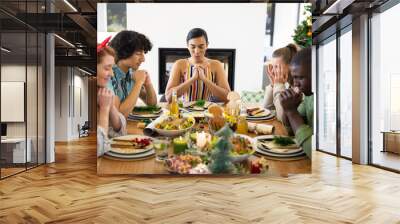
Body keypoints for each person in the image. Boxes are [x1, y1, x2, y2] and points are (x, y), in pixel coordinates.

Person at [165, 28, 231, 103]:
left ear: (207, 45)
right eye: (193, 47)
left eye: (201, 46)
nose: (197, 51)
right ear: (187, 46)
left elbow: (227, 97)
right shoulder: (179, 64)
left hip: (207, 112)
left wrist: (204, 79)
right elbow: (168, 97)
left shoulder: (216, 65)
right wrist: (192, 79)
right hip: (185, 112)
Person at [108, 30, 157, 118]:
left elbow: (152, 105)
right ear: (124, 52)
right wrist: (138, 83)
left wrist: (148, 84)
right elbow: (119, 116)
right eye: (138, 53)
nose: (143, 59)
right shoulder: (109, 76)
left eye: (143, 53)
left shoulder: (131, 73)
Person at [280, 47, 313, 159]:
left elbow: (313, 151)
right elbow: (291, 131)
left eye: (301, 77)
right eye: (294, 78)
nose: (296, 84)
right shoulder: (309, 97)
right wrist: (287, 109)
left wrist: (291, 111)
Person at [97, 37, 127, 157]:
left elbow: (121, 134)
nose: (112, 74)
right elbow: (100, 147)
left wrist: (111, 107)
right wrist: (105, 110)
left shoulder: (102, 92)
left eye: (112, 68)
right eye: (106, 68)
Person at [263, 44, 298, 126]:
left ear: (291, 66)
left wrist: (278, 85)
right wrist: (272, 85)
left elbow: (282, 118)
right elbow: (267, 110)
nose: (273, 71)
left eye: (277, 67)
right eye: (273, 66)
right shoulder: (289, 86)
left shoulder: (298, 89)